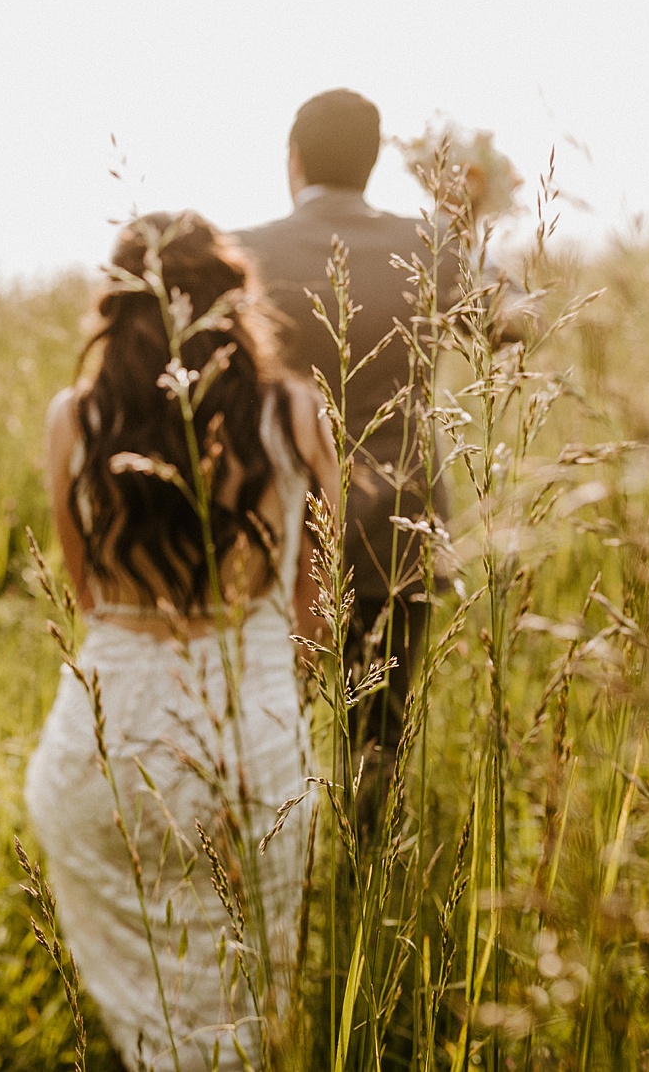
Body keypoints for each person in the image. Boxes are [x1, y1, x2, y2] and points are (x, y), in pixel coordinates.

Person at [23, 212, 341, 1072]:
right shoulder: (297, 414)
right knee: (244, 996)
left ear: (115, 305)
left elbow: (84, 589)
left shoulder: (74, 420)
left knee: (155, 1004)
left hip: (107, 743)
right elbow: (320, 605)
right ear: (235, 298)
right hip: (254, 740)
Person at [235, 88, 495, 785]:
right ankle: (364, 874)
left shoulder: (244, 253)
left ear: (293, 160)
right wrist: (465, 226)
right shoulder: (430, 242)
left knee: (262, 727)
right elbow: (509, 323)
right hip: (398, 525)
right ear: (374, 161)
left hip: (277, 528)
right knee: (376, 741)